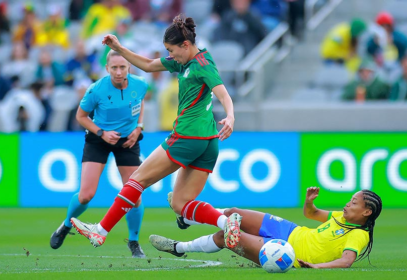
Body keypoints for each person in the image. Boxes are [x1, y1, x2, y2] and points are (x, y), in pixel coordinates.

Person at [70, 15, 240, 250]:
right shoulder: (185, 61)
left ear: (186, 45)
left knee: (137, 179)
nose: (171, 55)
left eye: (172, 50)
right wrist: (118, 48)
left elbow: (222, 92)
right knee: (181, 203)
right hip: (208, 142)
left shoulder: (202, 65)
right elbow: (149, 65)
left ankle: (100, 231)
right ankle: (225, 222)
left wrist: (230, 115)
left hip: (188, 136)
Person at [50, 50, 148, 258]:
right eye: (114, 67)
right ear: (107, 68)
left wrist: (138, 127)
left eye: (123, 67)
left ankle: (134, 241)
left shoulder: (140, 84)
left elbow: (140, 103)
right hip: (99, 138)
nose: (119, 72)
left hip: (127, 140)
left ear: (129, 66)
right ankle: (66, 225)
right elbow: (81, 116)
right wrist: (102, 133)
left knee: (135, 196)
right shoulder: (96, 90)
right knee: (86, 195)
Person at [150, 187, 382, 269]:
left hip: (284, 251)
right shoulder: (339, 216)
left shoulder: (359, 235)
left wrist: (317, 267)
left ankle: (178, 247)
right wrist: (309, 203)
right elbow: (311, 215)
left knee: (227, 236)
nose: (347, 203)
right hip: (291, 230)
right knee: (233, 213)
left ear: (366, 212)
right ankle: (186, 218)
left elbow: (346, 261)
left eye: (354, 203)